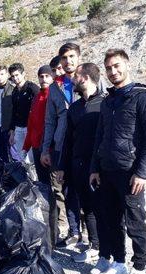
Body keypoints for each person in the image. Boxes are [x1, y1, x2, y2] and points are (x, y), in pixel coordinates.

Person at [90, 49, 146, 274]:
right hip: (107, 170)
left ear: (127, 65)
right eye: (109, 68)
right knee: (111, 220)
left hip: (130, 173)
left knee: (135, 222)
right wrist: (95, 167)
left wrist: (142, 173)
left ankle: (140, 269)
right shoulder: (108, 100)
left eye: (117, 66)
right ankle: (119, 262)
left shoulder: (143, 98)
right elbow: (99, 136)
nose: (113, 71)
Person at [59, 63, 107, 263]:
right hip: (78, 166)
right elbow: (68, 139)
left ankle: (108, 251)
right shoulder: (75, 108)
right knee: (87, 208)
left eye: (76, 76)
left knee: (103, 209)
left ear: (85, 78)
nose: (72, 80)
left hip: (100, 168)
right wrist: (63, 166)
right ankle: (94, 246)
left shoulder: (105, 104)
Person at [41, 43, 83, 247]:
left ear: (79, 57)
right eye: (65, 58)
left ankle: (96, 239)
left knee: (89, 189)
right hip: (61, 145)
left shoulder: (89, 79)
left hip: (84, 143)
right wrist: (45, 148)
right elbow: (49, 120)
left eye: (72, 56)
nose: (68, 61)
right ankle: (75, 232)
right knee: (66, 189)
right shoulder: (55, 87)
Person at [23, 65, 54, 181]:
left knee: (55, 184)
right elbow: (31, 124)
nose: (44, 79)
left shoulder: (54, 96)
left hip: (50, 147)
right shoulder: (36, 98)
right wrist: (26, 146)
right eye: (41, 76)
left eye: (47, 76)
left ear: (52, 77)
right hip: (36, 146)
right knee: (42, 181)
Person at [8, 63, 39, 163]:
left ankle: (35, 178)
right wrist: (12, 131)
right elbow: (14, 111)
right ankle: (27, 178)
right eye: (12, 76)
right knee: (22, 158)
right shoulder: (14, 92)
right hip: (18, 128)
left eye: (17, 75)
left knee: (31, 158)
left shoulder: (32, 88)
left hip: (30, 128)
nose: (15, 78)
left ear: (23, 74)